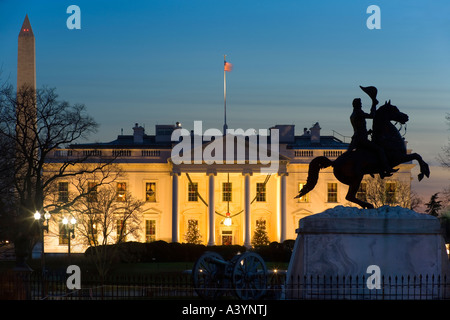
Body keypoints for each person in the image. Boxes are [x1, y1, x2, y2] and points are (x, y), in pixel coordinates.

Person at [347, 94, 398, 178]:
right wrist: (374, 104)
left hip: (357, 138)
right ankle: (386, 168)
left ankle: (379, 170)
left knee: (371, 152)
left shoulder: (353, 114)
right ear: (357, 105)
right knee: (379, 149)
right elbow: (372, 116)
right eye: (360, 104)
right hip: (361, 139)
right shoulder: (359, 112)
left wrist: (367, 132)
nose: (361, 105)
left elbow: (359, 128)